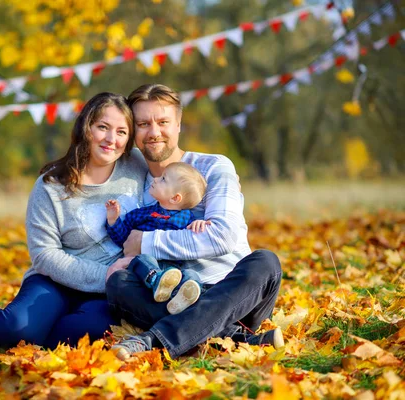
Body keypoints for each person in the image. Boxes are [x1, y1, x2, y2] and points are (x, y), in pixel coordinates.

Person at [0, 92, 148, 354]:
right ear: (86, 127)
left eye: (121, 132)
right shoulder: (51, 185)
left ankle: (37, 333)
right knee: (17, 329)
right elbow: (44, 255)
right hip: (54, 281)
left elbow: (177, 168)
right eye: (102, 127)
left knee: (82, 335)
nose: (111, 139)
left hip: (106, 294)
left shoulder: (137, 166)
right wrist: (105, 274)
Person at [105, 84, 284, 361]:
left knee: (266, 262)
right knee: (118, 282)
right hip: (174, 297)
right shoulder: (136, 185)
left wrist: (146, 242)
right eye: (143, 124)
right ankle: (238, 338)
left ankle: (153, 340)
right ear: (134, 132)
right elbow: (126, 243)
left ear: (178, 125)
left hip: (234, 293)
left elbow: (222, 237)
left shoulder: (214, 167)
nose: (154, 132)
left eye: (163, 122)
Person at [105, 162, 211, 315]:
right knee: (140, 260)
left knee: (191, 275)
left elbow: (196, 239)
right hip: (145, 267)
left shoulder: (187, 218)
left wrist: (199, 223)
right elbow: (124, 240)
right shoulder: (143, 214)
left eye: (163, 179)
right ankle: (156, 279)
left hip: (173, 268)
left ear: (175, 198)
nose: (155, 179)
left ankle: (182, 297)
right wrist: (114, 221)